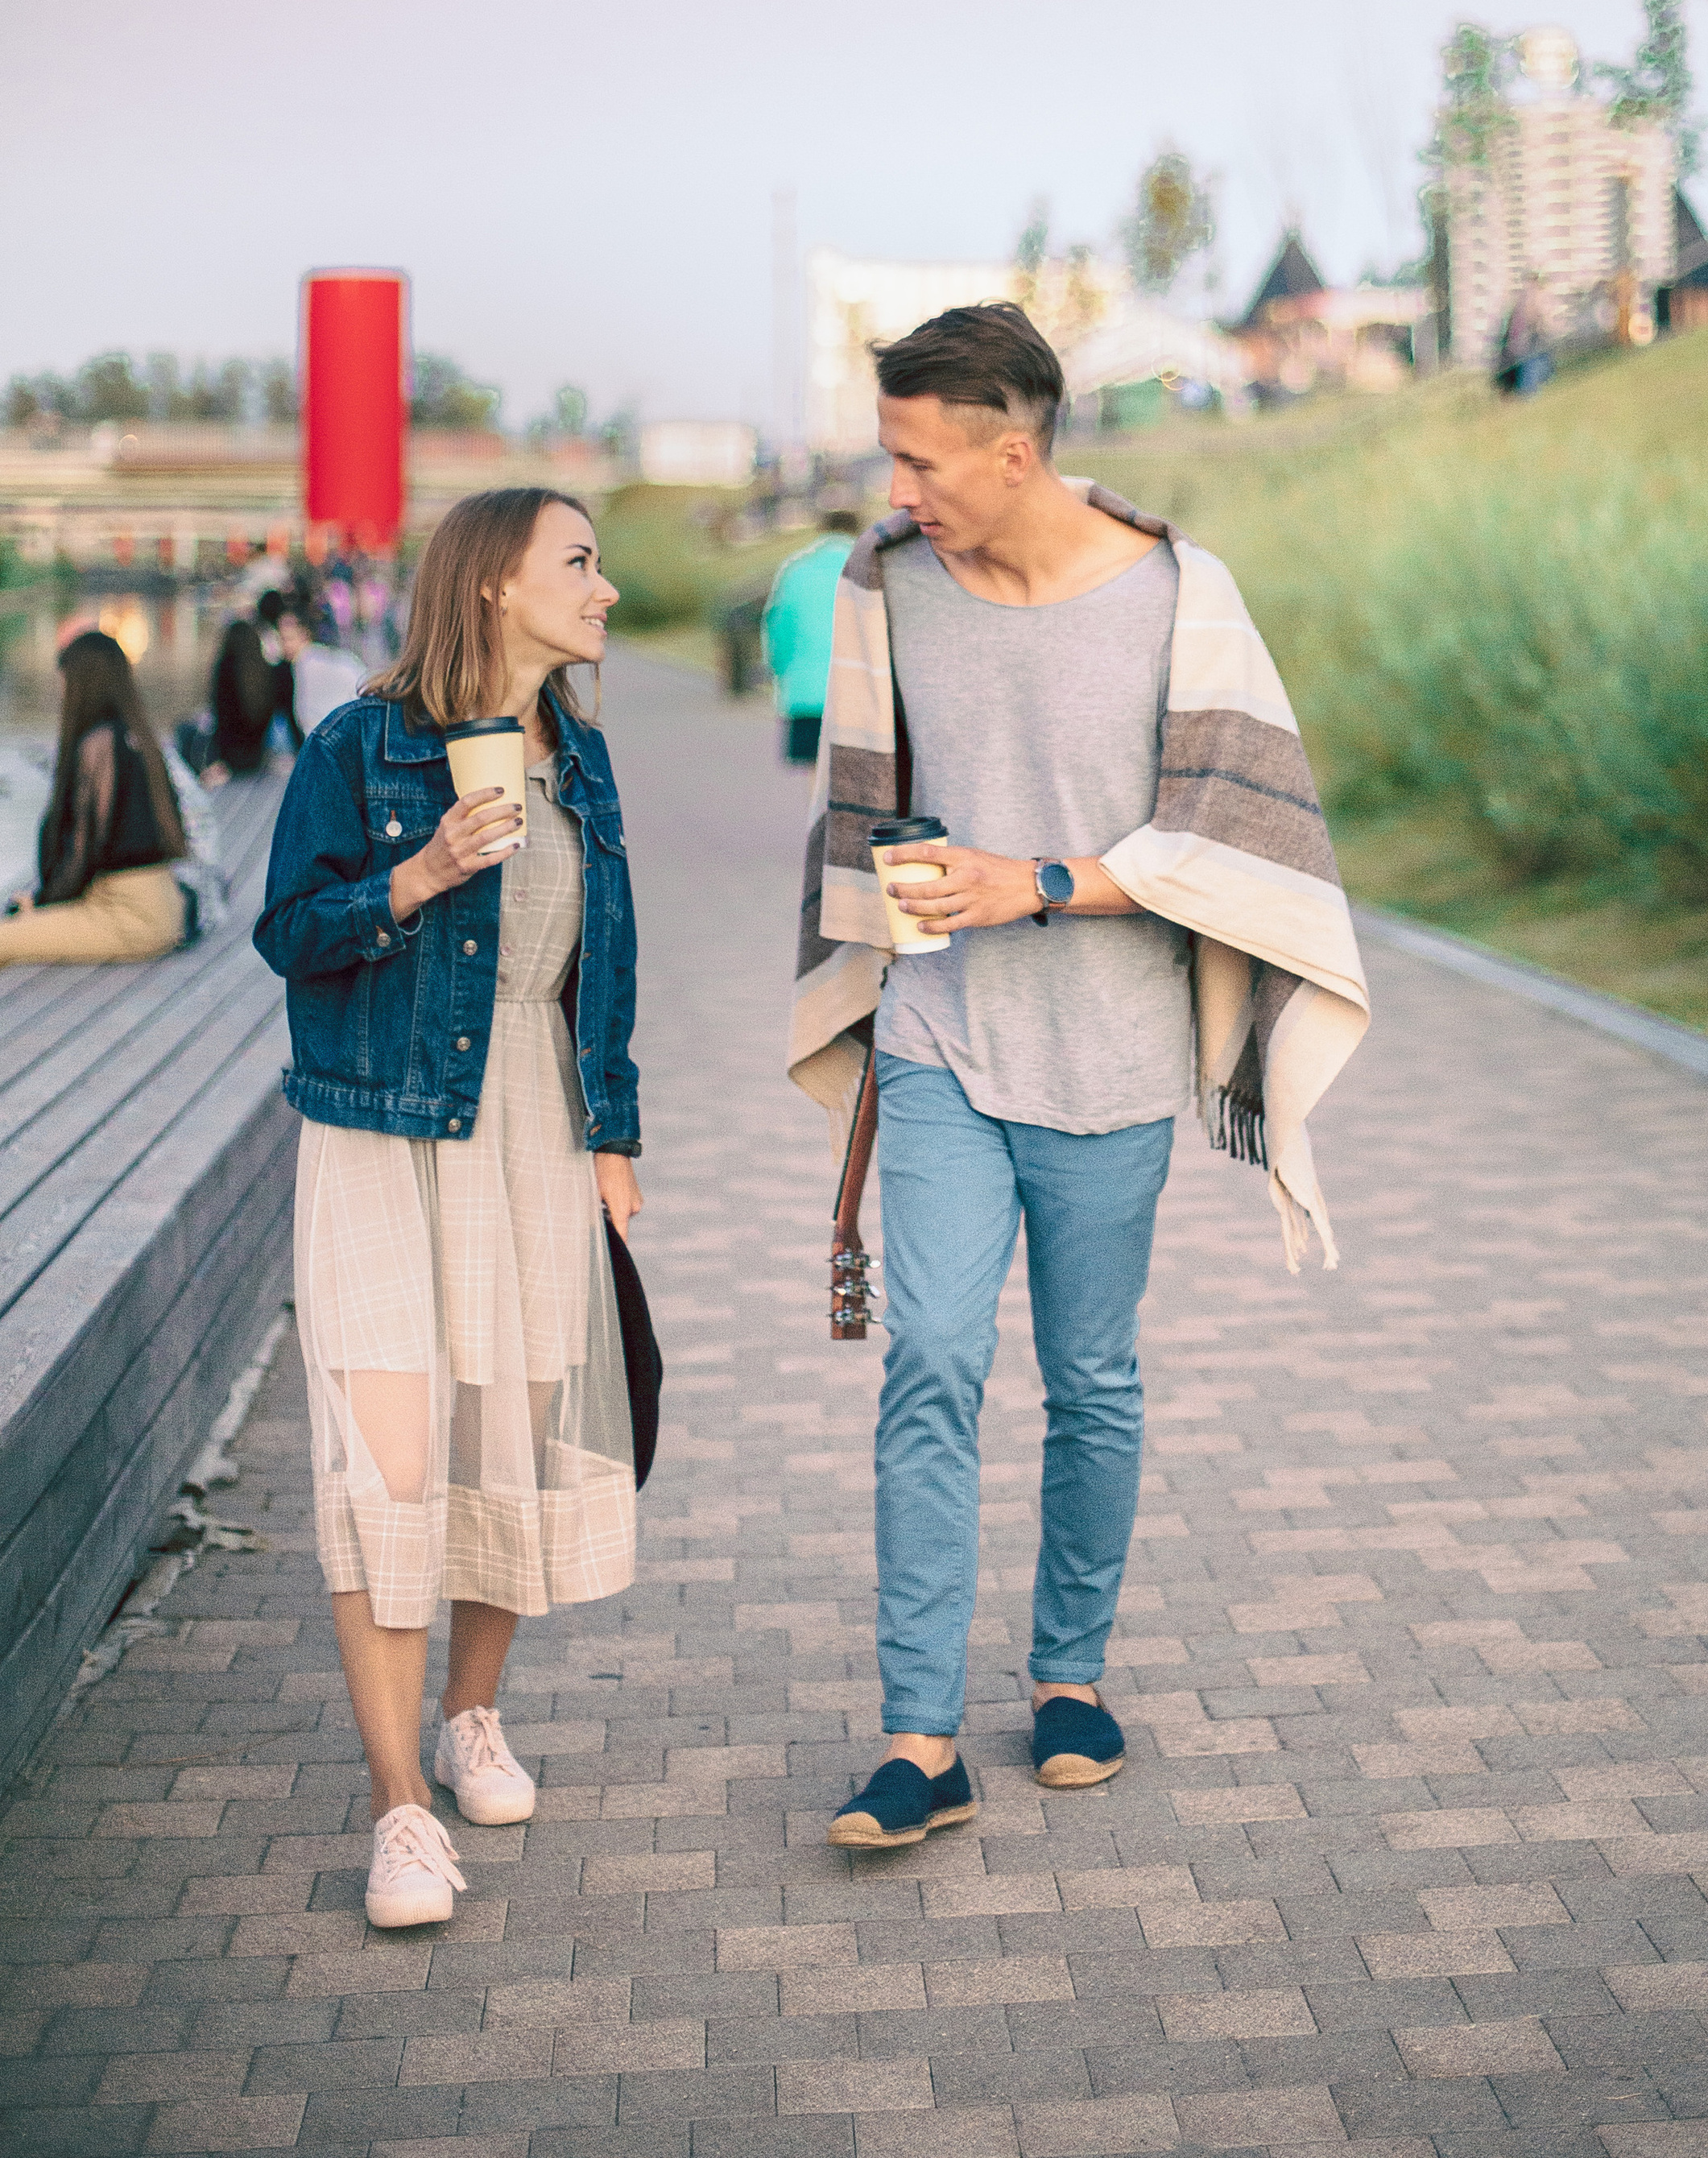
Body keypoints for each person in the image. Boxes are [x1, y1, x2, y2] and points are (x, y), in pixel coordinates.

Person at [786, 303, 1368, 1850]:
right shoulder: (888, 588)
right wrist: (908, 882)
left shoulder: (1181, 596)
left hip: (1113, 1054)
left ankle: (1068, 1683)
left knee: (1093, 1381)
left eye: (919, 459)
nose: (896, 487)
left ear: (1014, 447)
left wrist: (1032, 879)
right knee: (932, 1362)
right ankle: (919, 1738)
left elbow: (1234, 839)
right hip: (940, 1046)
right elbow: (863, 802)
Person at [255, 488, 644, 1931]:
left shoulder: (584, 761)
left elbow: (606, 959)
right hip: (380, 1130)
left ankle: (470, 1717)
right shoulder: (363, 745)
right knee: (391, 1470)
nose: (605, 590)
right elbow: (287, 930)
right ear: (494, 586)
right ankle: (397, 1808)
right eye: (582, 563)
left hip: (537, 1129)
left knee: (508, 1442)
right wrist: (414, 877)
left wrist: (617, 1133)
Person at [0, 630, 189, 966]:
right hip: (161, 900)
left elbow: (84, 846)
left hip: (128, 913)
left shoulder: (99, 743)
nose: (59, 692)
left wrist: (42, 905)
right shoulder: (138, 736)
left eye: (63, 681)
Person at [761, 507, 862, 764]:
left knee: (815, 773)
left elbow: (777, 632)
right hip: (859, 693)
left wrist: (781, 673)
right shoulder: (868, 566)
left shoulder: (795, 570)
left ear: (822, 531)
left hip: (806, 692)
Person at [201, 614, 291, 782]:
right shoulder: (268, 673)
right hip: (257, 757)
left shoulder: (225, 670)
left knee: (186, 731)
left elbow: (222, 719)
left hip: (230, 759)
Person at [278, 599, 366, 738]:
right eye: (281, 639)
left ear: (305, 635)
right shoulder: (318, 659)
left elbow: (309, 716)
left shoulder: (309, 665)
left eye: (289, 639)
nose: (284, 645)